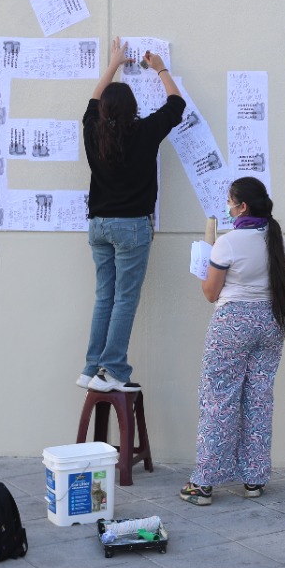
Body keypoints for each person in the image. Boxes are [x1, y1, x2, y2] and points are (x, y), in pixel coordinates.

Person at [181, 177, 285, 505]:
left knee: (219, 399)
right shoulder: (275, 238)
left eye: (230, 201)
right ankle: (254, 478)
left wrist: (203, 266)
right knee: (259, 398)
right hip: (270, 321)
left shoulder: (228, 243)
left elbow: (210, 293)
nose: (228, 207)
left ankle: (204, 483)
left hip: (232, 323)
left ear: (242, 206)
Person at [77, 38, 184, 393]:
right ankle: (112, 370)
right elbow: (176, 105)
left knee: (104, 297)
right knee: (124, 298)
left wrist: (114, 63)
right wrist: (160, 69)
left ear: (104, 111)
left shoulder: (92, 132)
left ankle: (91, 368)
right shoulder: (144, 132)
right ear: (133, 109)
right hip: (131, 227)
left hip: (99, 226)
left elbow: (93, 101)